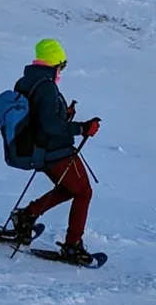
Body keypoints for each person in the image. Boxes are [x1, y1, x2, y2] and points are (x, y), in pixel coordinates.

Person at [9, 39, 102, 262]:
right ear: (55, 63)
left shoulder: (25, 82)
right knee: (83, 192)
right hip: (54, 150)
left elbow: (38, 116)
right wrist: (82, 128)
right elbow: (50, 125)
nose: (62, 71)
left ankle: (27, 216)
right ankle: (72, 246)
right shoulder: (47, 87)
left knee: (69, 188)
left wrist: (63, 114)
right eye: (62, 65)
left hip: (36, 148)